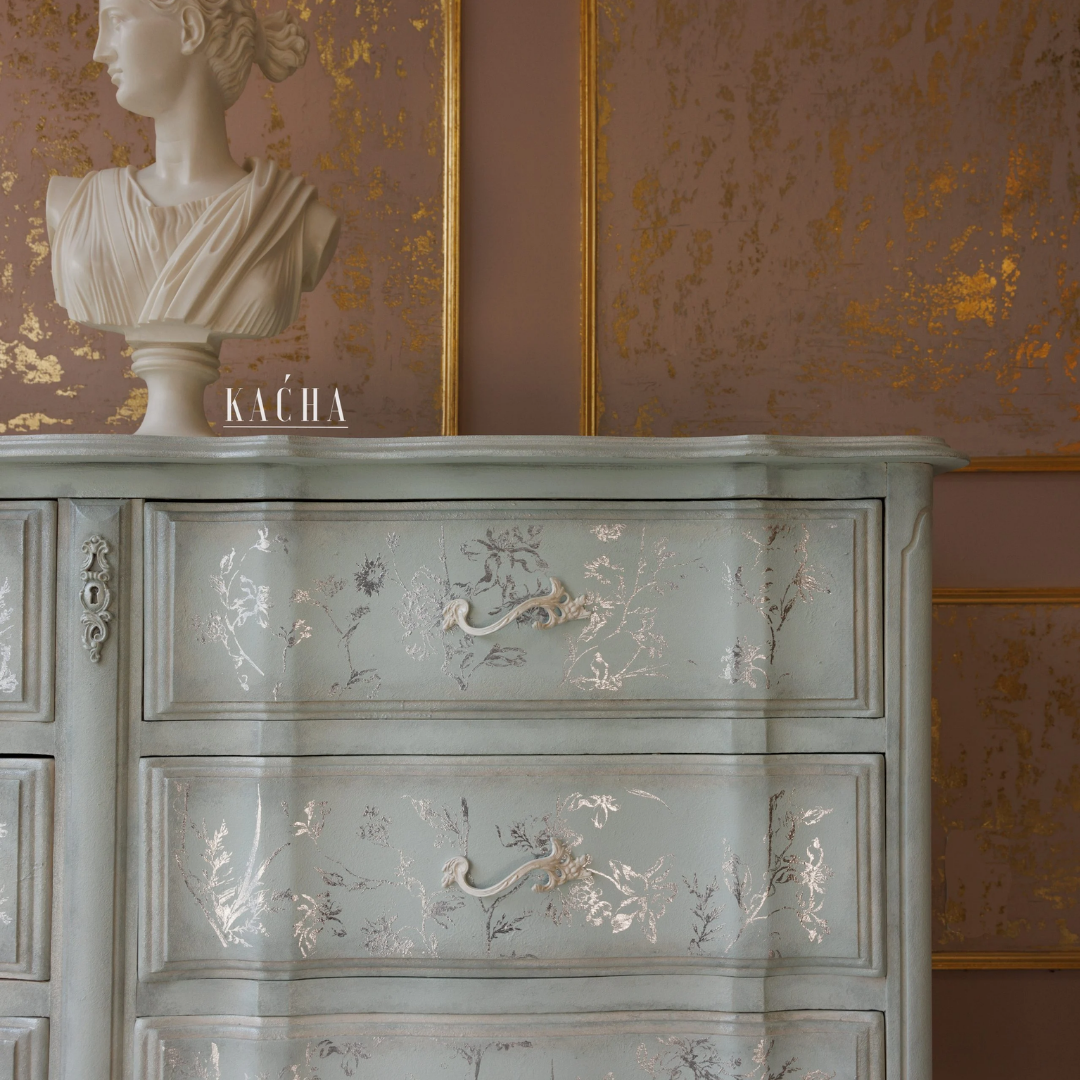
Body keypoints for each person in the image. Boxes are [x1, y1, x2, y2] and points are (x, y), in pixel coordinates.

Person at [47, 0, 341, 435]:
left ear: (188, 28)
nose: (100, 51)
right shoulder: (72, 205)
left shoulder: (299, 220)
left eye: (116, 22)